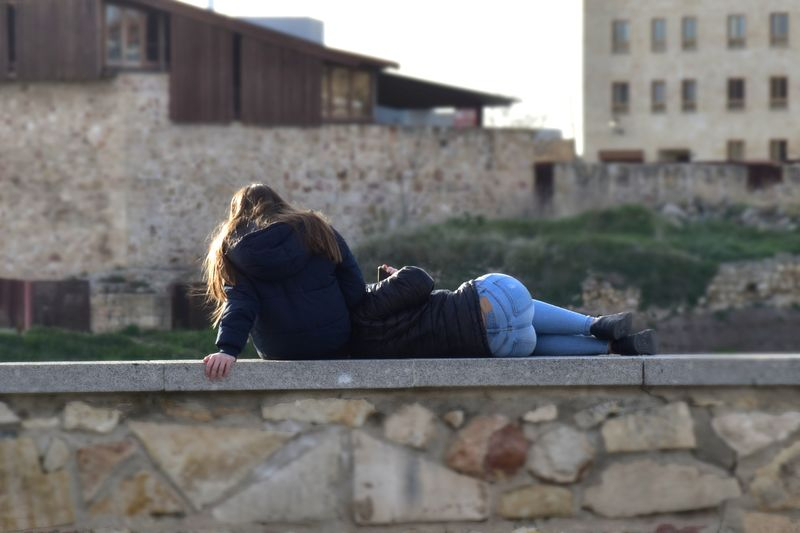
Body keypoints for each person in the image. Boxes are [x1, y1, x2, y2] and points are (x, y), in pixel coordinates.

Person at [202, 184, 365, 379]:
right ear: (279, 202)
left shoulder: (231, 250)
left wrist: (227, 349)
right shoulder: (317, 228)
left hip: (280, 349)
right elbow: (353, 286)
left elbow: (240, 304)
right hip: (335, 341)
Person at [345, 265, 656, 358]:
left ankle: (614, 346)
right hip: (495, 304)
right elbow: (420, 281)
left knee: (528, 338)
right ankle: (596, 323)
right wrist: (396, 274)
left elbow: (404, 326)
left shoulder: (358, 346)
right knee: (522, 308)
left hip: (499, 347)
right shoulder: (365, 306)